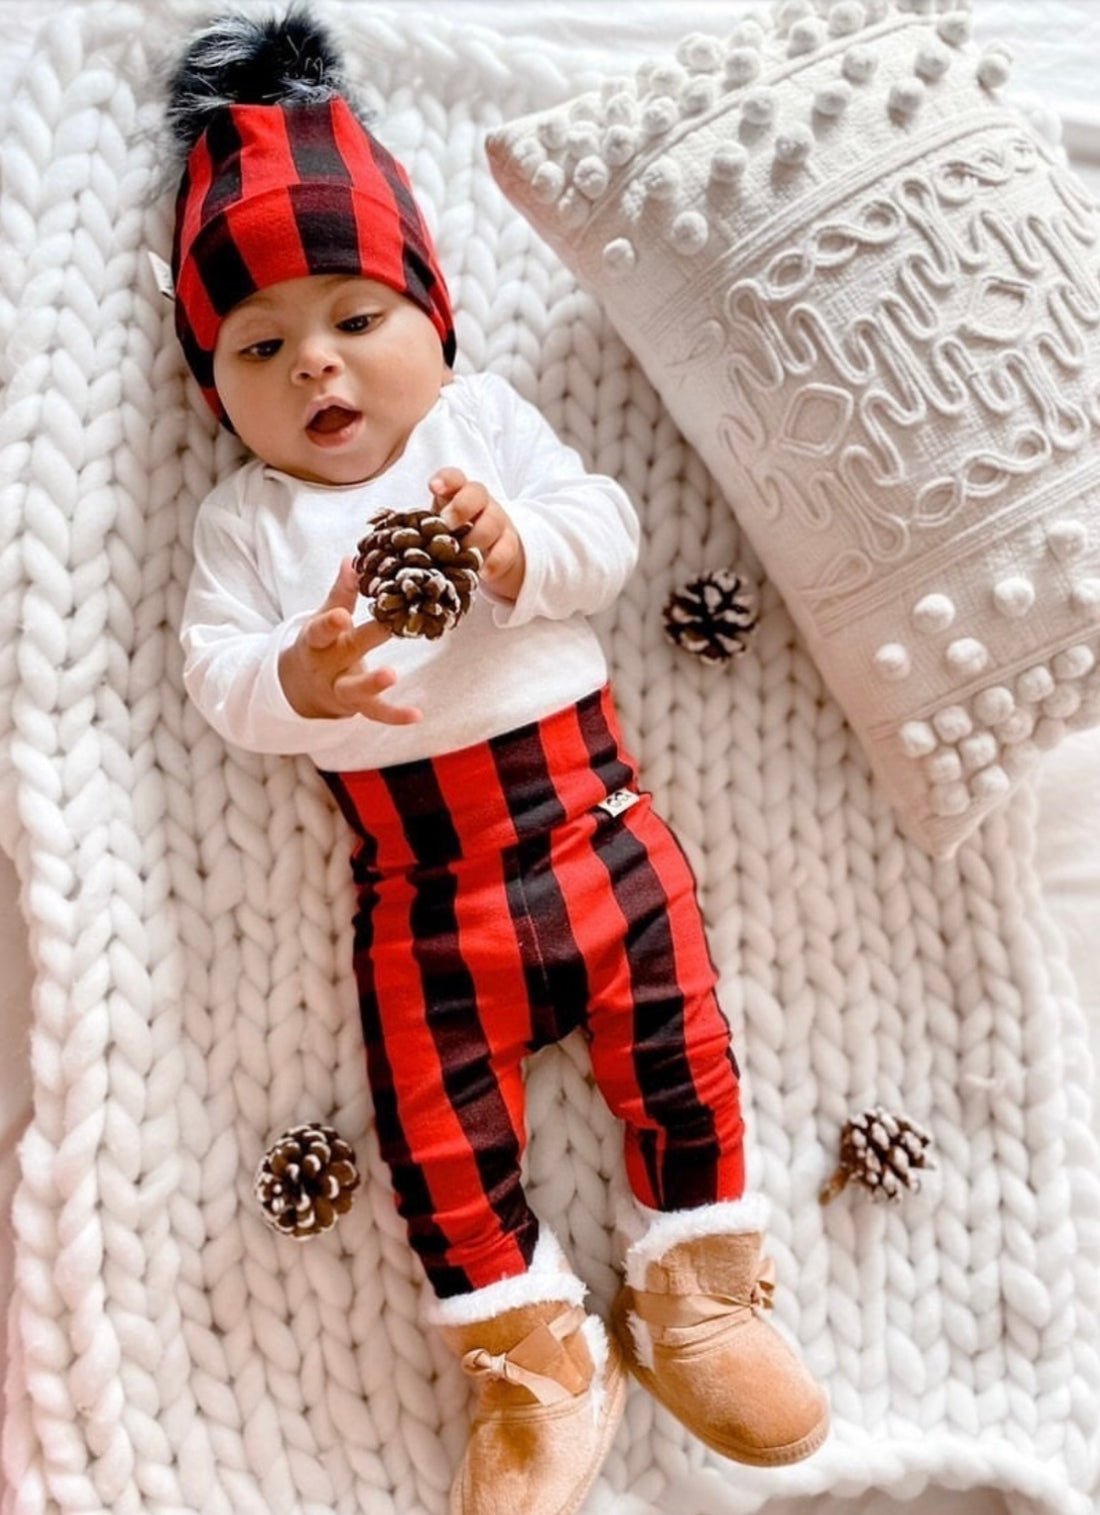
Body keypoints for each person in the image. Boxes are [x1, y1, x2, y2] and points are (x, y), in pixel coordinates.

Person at [168, 11, 829, 1515]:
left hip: (598, 827)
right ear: (220, 390)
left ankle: (703, 1290)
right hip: (421, 882)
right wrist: (299, 674)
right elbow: (217, 679)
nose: (316, 367)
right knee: (436, 1131)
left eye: (354, 316)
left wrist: (526, 547)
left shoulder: (480, 427)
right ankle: (534, 1358)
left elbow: (608, 532)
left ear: (432, 315)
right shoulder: (249, 527)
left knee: (681, 1058)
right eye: (261, 347)